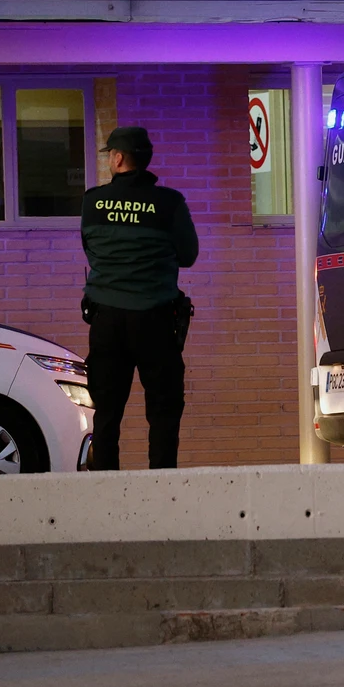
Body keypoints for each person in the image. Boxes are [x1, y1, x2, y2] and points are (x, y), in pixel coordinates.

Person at [80, 125, 199, 469]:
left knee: (106, 412)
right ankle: (162, 490)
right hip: (156, 320)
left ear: (117, 159)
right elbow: (189, 256)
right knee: (164, 411)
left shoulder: (92, 201)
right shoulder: (169, 203)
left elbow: (91, 252)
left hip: (106, 320)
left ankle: (105, 488)